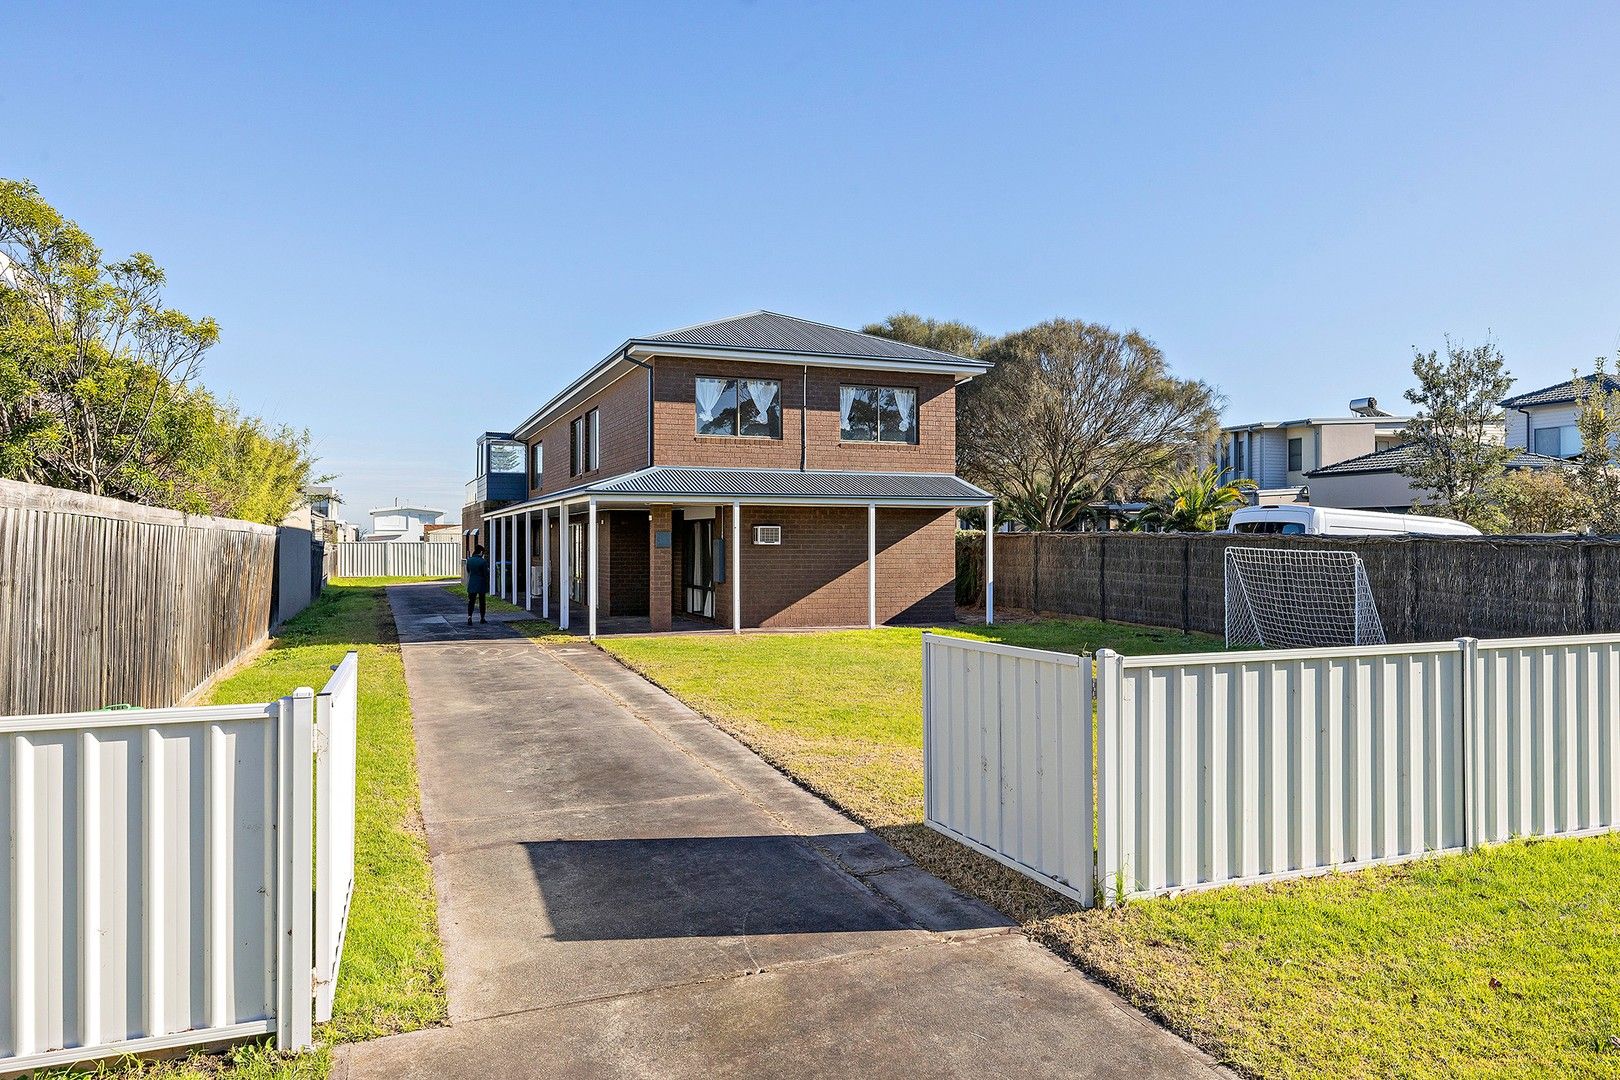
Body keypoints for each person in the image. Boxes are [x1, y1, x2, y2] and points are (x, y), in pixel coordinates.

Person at [465, 543, 489, 624]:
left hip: (472, 583)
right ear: (481, 552)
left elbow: (468, 571)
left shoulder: (469, 560)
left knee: (471, 601)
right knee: (482, 601)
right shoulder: (483, 562)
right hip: (481, 584)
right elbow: (485, 574)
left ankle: (469, 617)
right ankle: (482, 618)